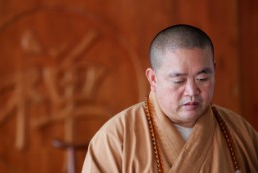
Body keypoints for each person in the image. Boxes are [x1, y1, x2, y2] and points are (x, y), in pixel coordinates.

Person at [81, 24, 258, 172]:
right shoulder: (116, 137)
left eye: (202, 79)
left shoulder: (240, 131)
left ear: (214, 71)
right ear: (153, 78)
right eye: (179, 80)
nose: (191, 91)